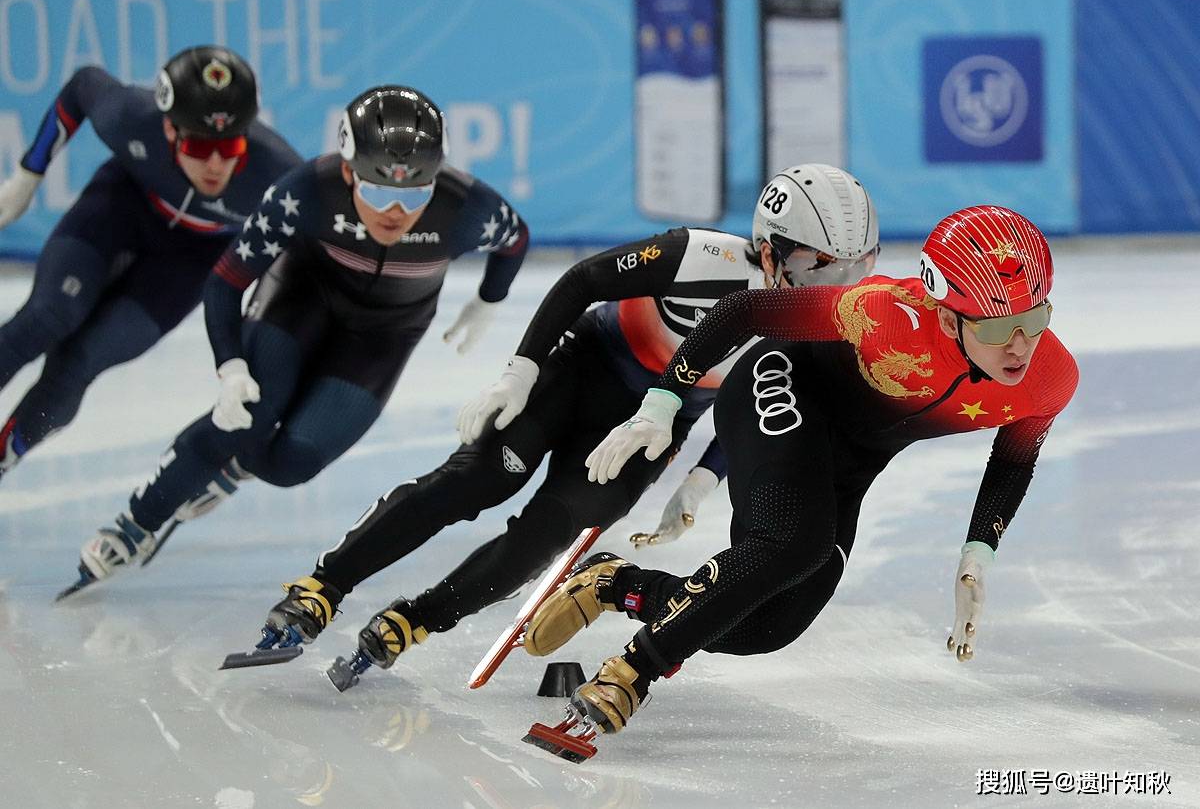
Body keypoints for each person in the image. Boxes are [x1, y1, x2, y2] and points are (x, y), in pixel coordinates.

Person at [252, 164, 880, 680]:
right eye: (818, 268)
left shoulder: (820, 326)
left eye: (856, 269)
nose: (835, 290)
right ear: (769, 250)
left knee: (547, 540)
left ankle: (416, 618)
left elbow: (759, 404)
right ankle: (325, 584)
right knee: (478, 480)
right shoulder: (700, 255)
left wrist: (703, 479)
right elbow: (585, 278)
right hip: (582, 370)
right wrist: (521, 370)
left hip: (646, 428)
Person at [526, 205, 1079, 737]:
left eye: (1035, 318)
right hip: (782, 383)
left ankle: (614, 584)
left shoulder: (1051, 376)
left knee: (769, 627)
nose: (1021, 345)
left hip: (849, 462)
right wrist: (662, 403)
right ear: (945, 313)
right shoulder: (884, 313)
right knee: (793, 543)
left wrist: (977, 553)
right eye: (996, 328)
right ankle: (629, 674)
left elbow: (1014, 458)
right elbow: (741, 312)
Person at [63, 85, 530, 591]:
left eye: (415, 194)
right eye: (377, 191)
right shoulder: (307, 190)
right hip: (301, 298)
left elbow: (516, 240)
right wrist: (230, 368)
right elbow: (226, 279)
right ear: (349, 171)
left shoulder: (467, 209)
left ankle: (236, 466)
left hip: (385, 333)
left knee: (292, 463)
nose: (395, 212)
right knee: (242, 419)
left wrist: (490, 300)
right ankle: (136, 524)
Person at [0, 46, 301, 481]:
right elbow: (83, 84)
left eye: (231, 145)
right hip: (120, 209)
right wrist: (28, 176)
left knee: (80, 361)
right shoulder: (130, 116)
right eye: (199, 145)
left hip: (191, 259)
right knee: (47, 316)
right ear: (168, 128)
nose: (216, 164)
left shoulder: (276, 173)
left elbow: (330, 227)